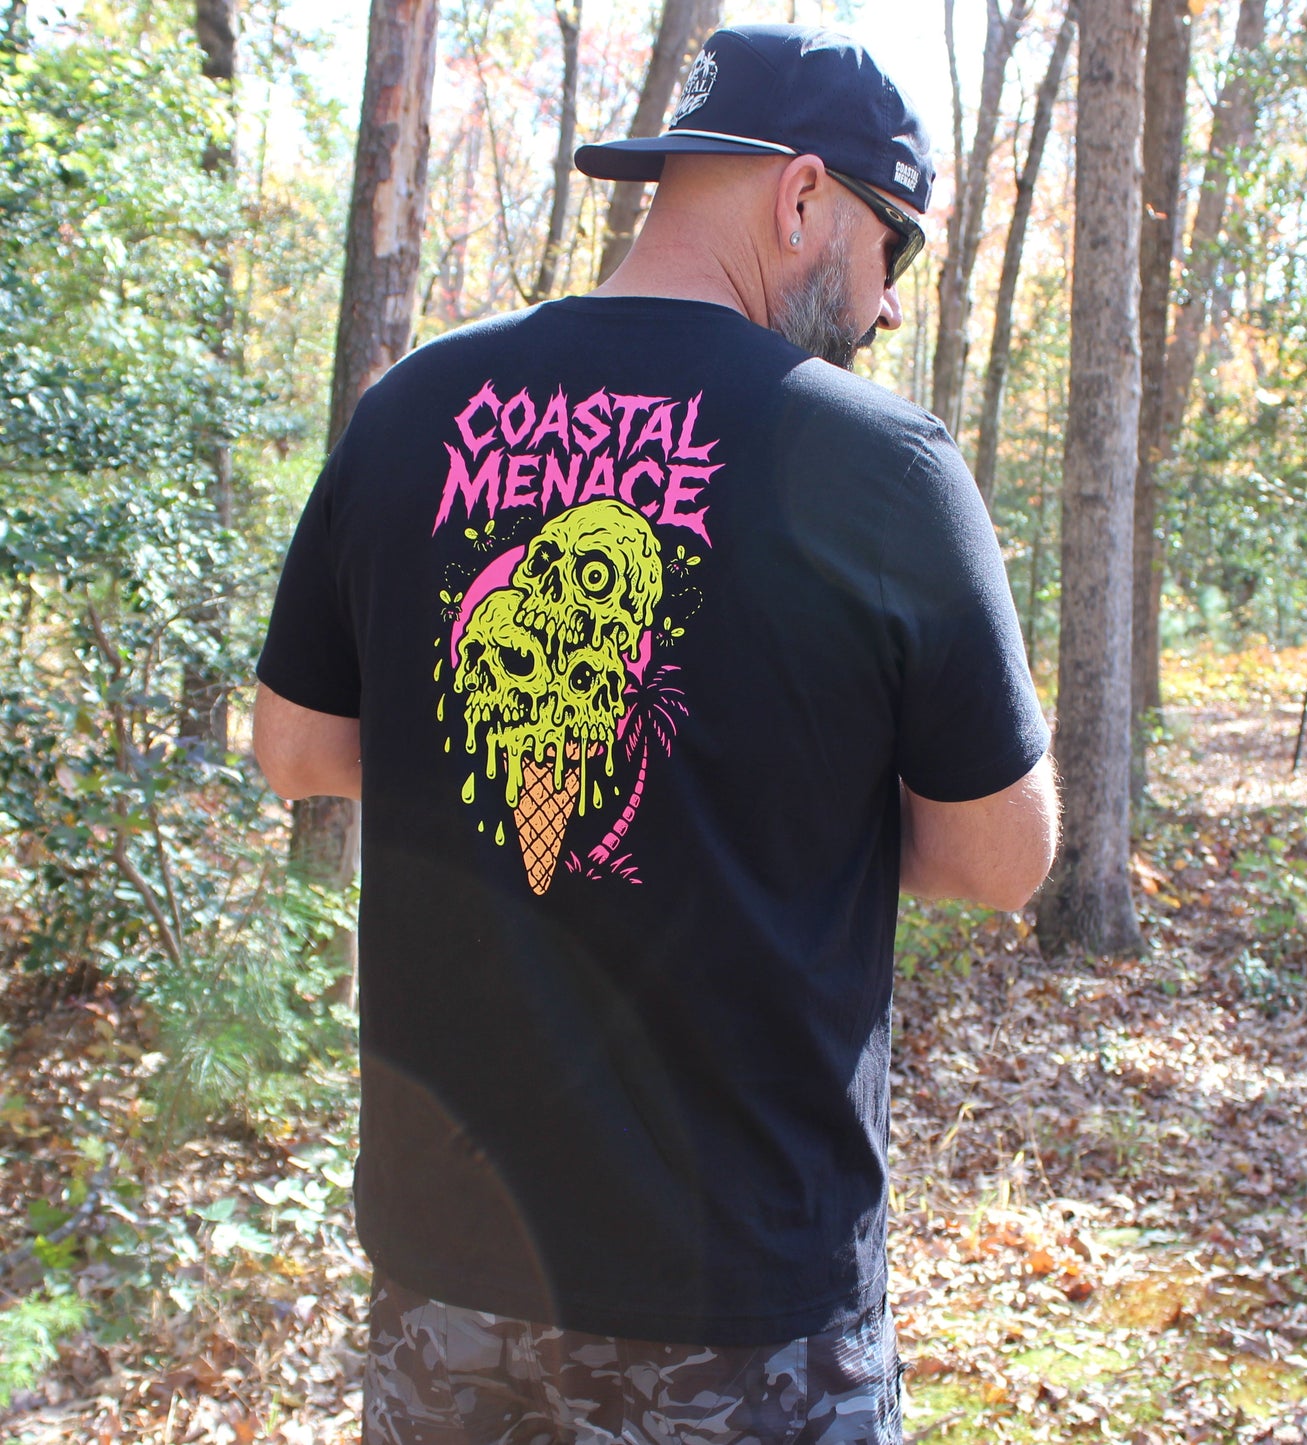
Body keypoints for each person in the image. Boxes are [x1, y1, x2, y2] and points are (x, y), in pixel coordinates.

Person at [254, 22, 1058, 1444]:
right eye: (894, 247)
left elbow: (297, 751)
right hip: (740, 1292)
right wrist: (768, 807)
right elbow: (1001, 859)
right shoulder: (882, 469)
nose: (886, 306)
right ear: (801, 197)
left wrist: (486, 762)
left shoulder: (412, 409)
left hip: (451, 1271)